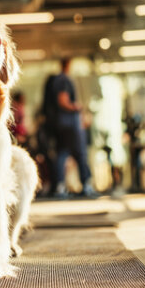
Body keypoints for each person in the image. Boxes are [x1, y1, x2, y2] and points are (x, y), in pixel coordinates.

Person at [42, 58, 95, 198]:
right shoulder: (64, 80)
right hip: (70, 125)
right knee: (80, 154)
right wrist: (77, 107)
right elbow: (63, 100)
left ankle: (59, 186)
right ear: (68, 65)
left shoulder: (56, 80)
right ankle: (86, 185)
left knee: (62, 153)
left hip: (61, 124)